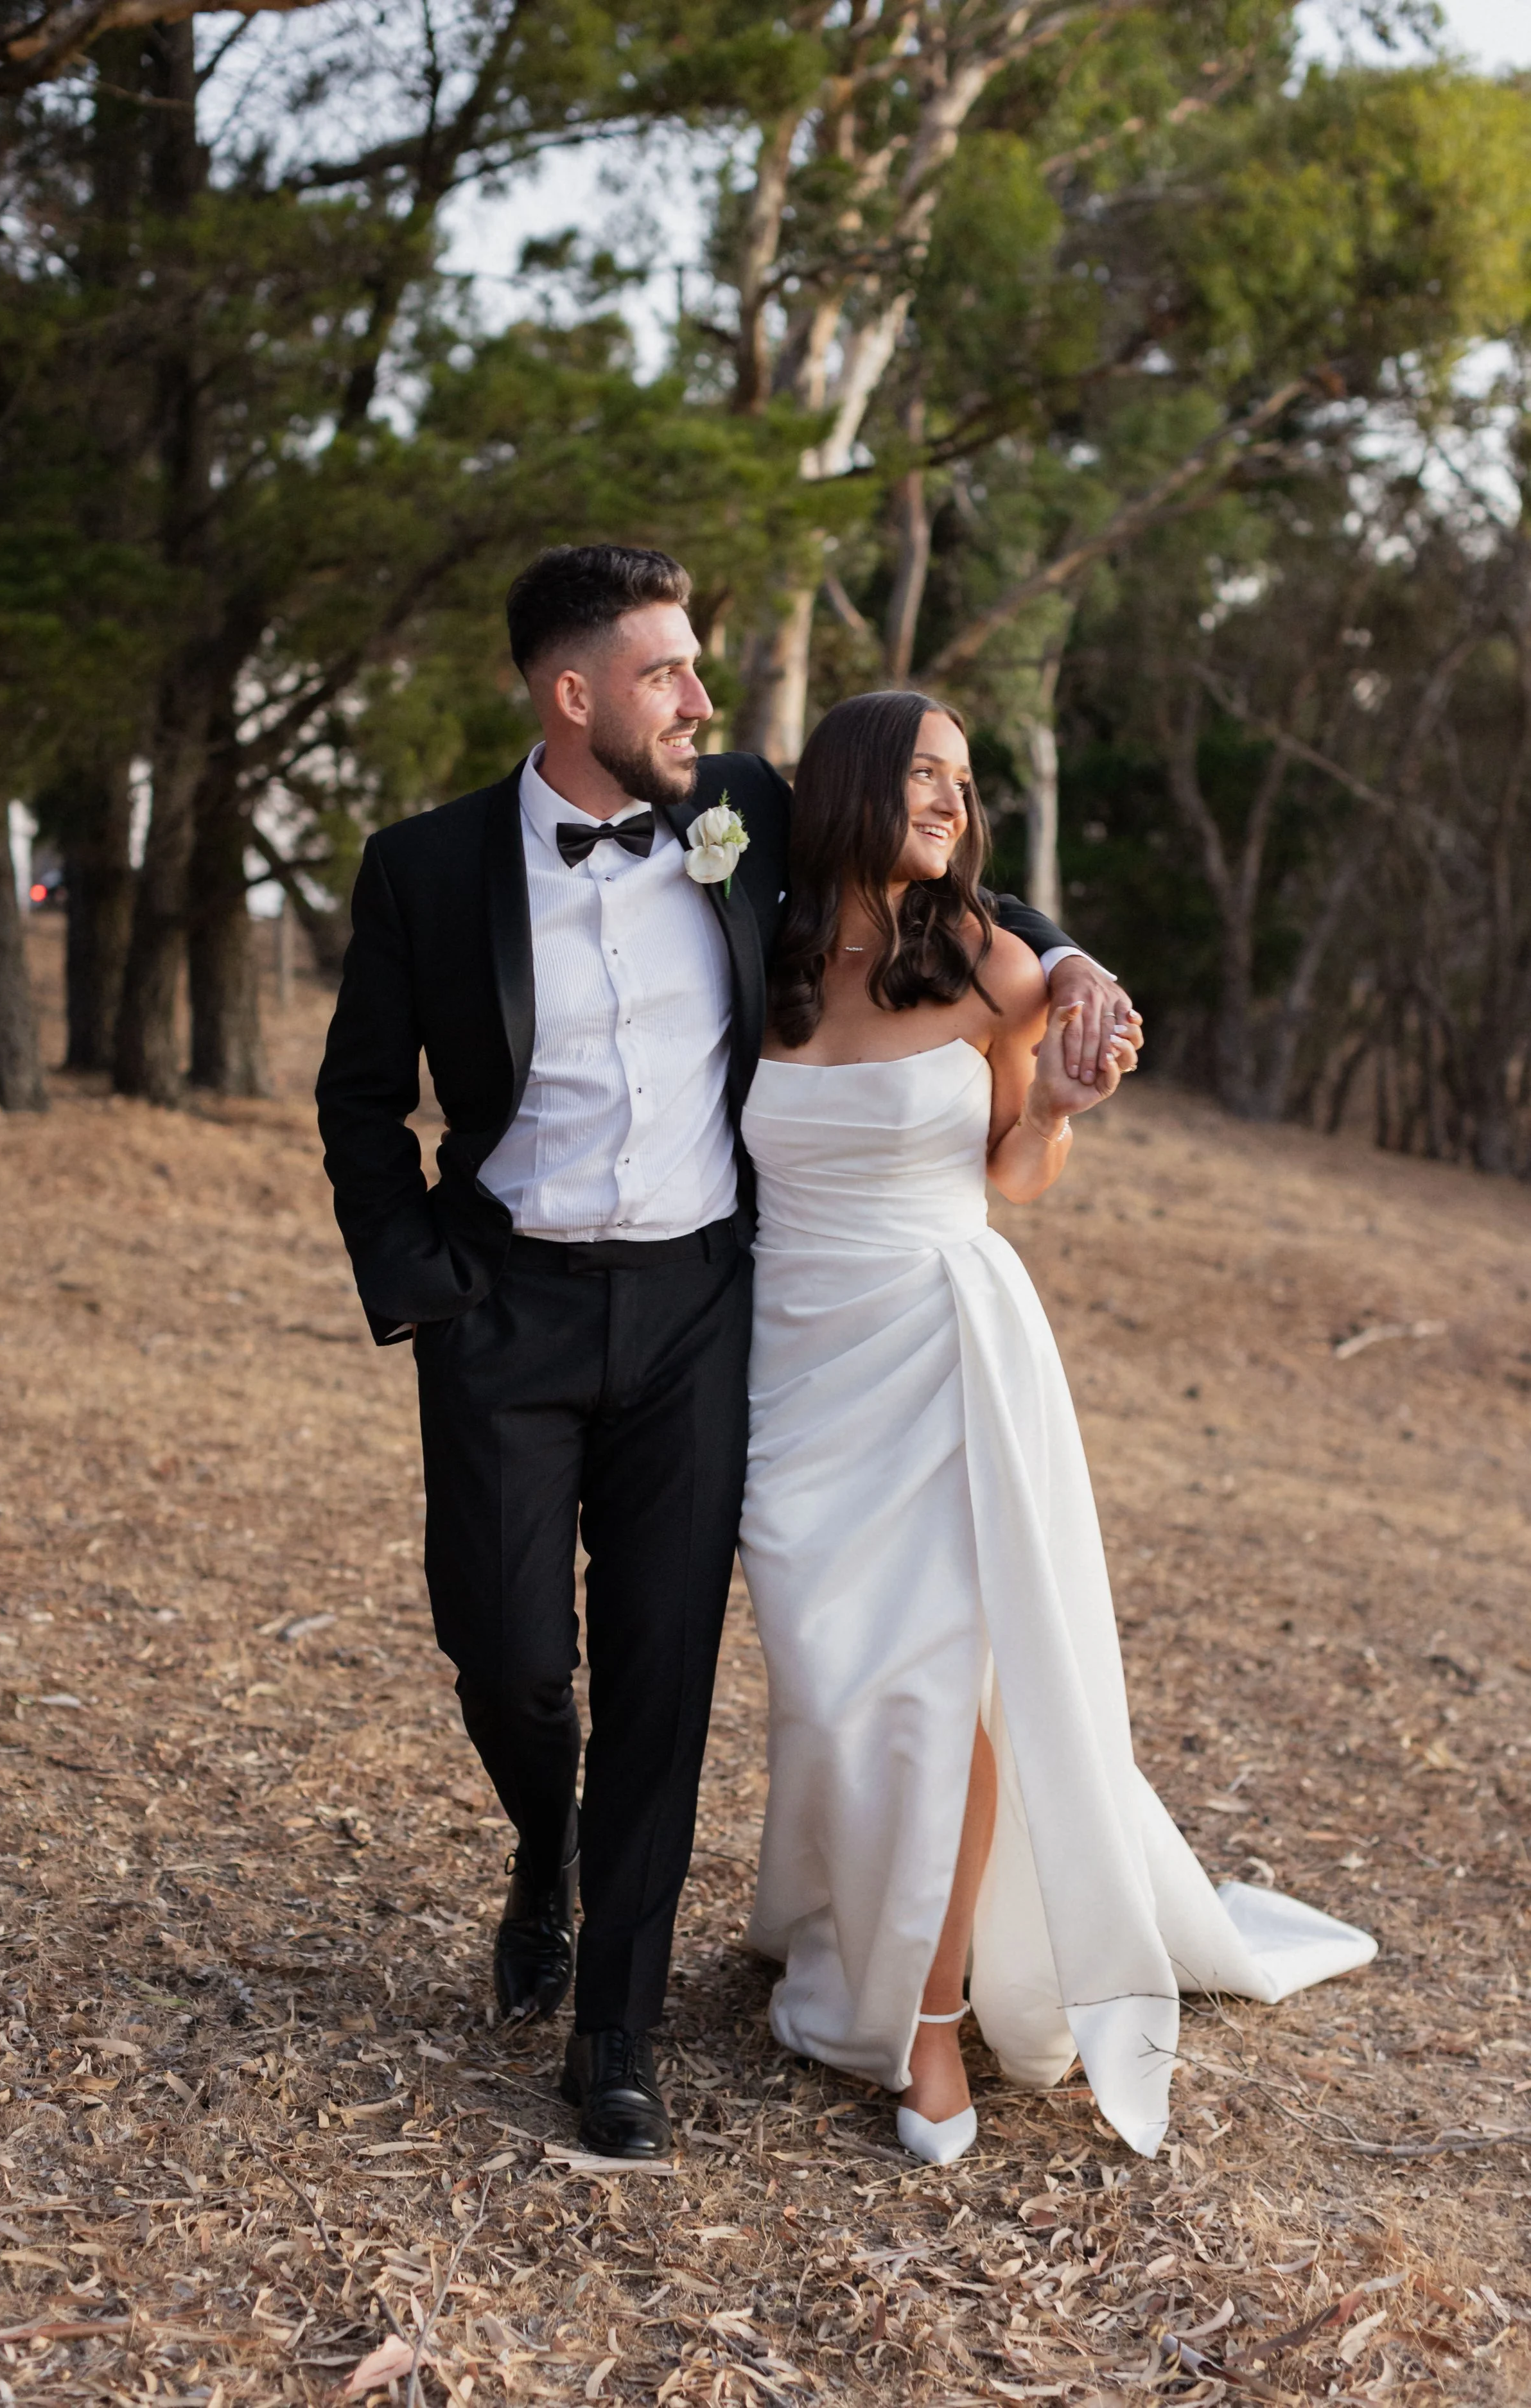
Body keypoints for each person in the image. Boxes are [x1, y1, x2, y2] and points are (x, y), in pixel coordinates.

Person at [315, 545, 1133, 2161]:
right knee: (509, 1662)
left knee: (665, 1680)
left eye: (695, 667)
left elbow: (939, 875)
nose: (699, 697)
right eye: (664, 672)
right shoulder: (420, 869)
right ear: (573, 696)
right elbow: (358, 1099)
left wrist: (1074, 961)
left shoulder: (736, 807)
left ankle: (612, 2034)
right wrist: (416, 1281)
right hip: (504, 1310)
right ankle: (540, 1845)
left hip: (702, 1313)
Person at [738, 688, 1375, 2166]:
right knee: (838, 1692)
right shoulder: (751, 949)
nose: (954, 801)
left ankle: (932, 2020)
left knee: (947, 1694)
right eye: (924, 775)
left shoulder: (982, 959)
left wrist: (1063, 1101)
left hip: (941, 1344)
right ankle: (846, 1925)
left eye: (966, 780)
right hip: (789, 1362)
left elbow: (1015, 1167)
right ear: (844, 786)